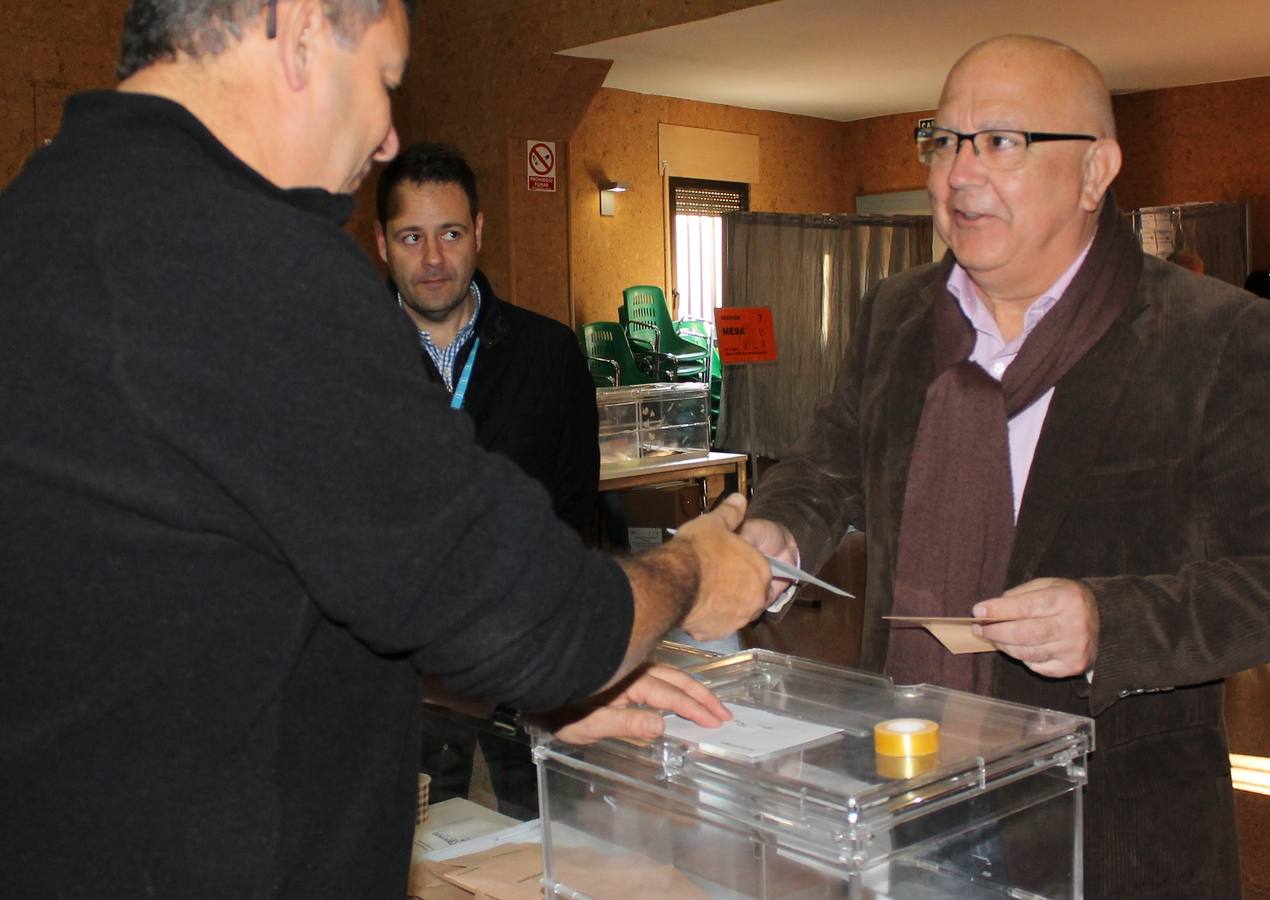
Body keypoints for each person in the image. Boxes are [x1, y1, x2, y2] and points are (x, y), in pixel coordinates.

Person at [0, 1, 772, 897]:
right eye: (384, 79)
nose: (386, 138)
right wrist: (689, 572)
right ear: (299, 35)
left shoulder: (38, 214)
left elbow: (282, 595)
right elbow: (527, 617)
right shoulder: (258, 264)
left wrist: (535, 695)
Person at [743, 35, 1270, 899]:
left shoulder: (1218, 340)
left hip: (1113, 832)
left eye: (1002, 142)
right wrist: (778, 532)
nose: (958, 174)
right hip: (902, 794)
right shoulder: (895, 316)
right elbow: (827, 465)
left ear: (1096, 171)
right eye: (943, 141)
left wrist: (1111, 621)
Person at [374, 142, 599, 816]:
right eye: (411, 237)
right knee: (414, 845)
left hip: (522, 657)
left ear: (479, 232)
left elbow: (573, 508)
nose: (433, 258)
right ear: (382, 246)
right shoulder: (343, 365)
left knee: (544, 837)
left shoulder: (549, 356)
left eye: (449, 233)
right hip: (399, 669)